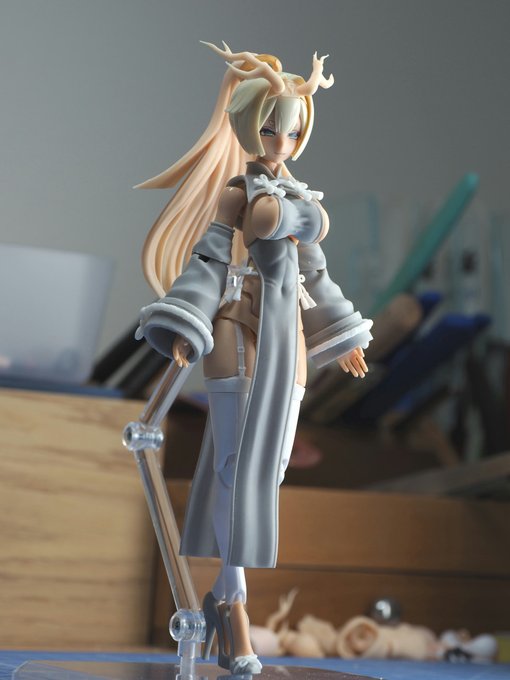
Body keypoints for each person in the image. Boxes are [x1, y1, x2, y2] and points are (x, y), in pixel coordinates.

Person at [136, 41, 373, 675]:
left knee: (269, 469)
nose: (281, 142)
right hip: (238, 330)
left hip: (286, 341)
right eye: (270, 129)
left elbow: (316, 276)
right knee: (238, 469)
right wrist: (187, 325)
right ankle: (236, 608)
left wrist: (344, 337)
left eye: (291, 132)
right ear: (247, 127)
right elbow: (210, 260)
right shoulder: (238, 194)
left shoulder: (300, 195)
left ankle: (221, 597)